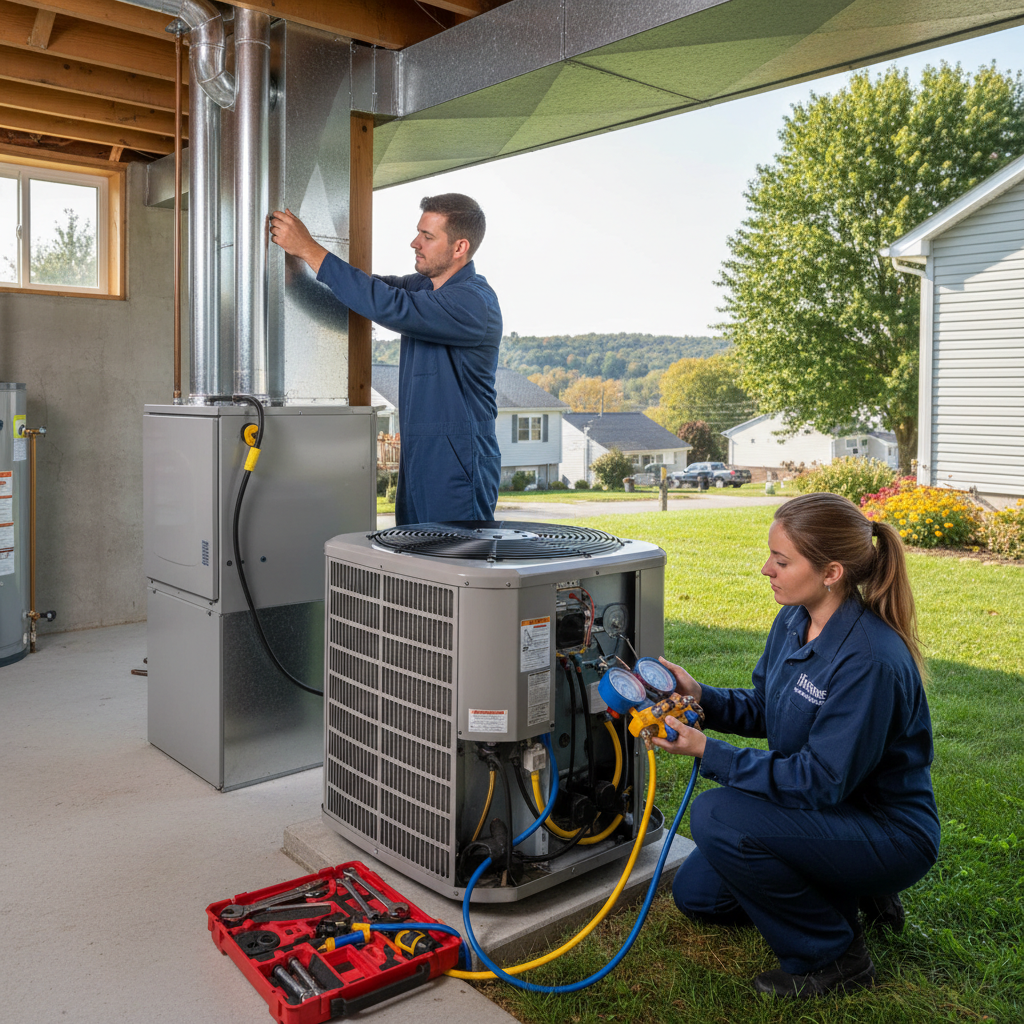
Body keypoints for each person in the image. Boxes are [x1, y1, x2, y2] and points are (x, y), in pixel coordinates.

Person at [653, 492, 940, 998]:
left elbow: (820, 780)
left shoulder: (869, 660)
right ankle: (843, 887)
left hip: (884, 830)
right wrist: (701, 696)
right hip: (826, 811)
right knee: (699, 896)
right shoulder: (795, 619)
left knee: (718, 815)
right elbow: (767, 706)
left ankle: (835, 956)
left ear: (831, 573)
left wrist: (707, 751)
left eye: (781, 561)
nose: (766, 569)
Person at [269, 194, 502, 526]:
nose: (415, 242)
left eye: (427, 236)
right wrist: (296, 283)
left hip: (457, 464)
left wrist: (309, 248)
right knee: (413, 555)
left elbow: (387, 304)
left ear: (459, 247)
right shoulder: (422, 288)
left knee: (453, 556)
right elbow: (361, 300)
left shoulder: (473, 303)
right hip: (418, 459)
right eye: (418, 232)